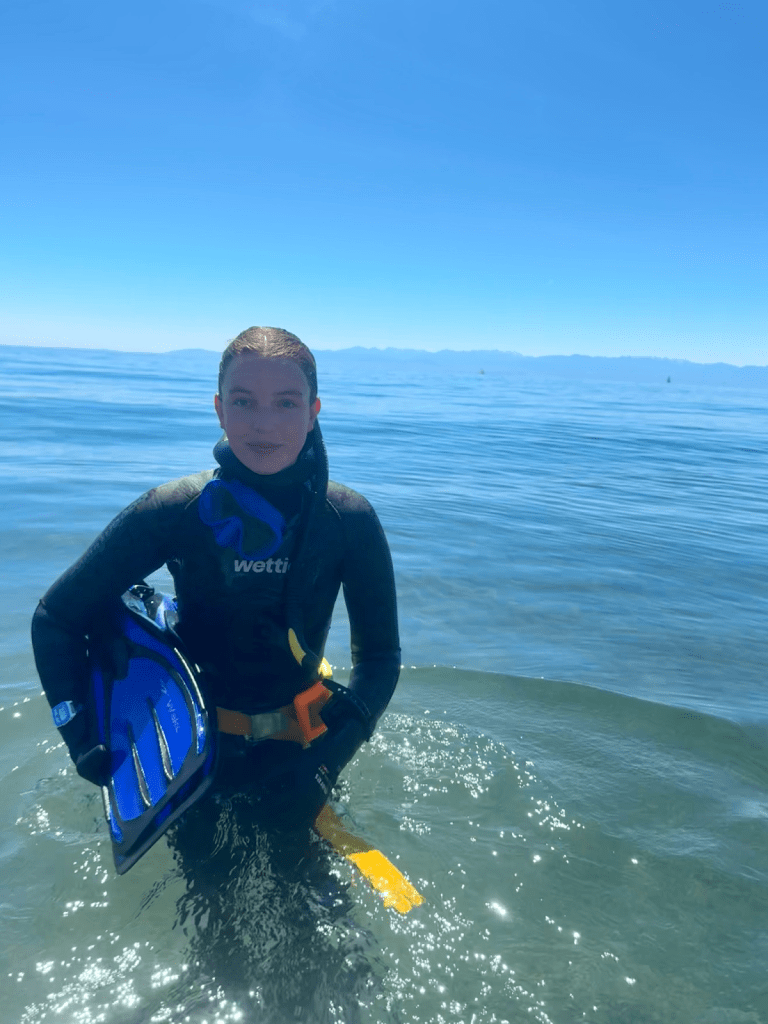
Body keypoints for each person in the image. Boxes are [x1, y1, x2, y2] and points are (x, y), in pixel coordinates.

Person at [31, 326, 401, 855]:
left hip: (301, 750)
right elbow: (56, 618)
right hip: (195, 760)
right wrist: (82, 737)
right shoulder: (175, 510)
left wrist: (327, 763)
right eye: (244, 401)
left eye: (286, 403)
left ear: (314, 410)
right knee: (209, 918)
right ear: (219, 409)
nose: (263, 424)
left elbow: (381, 657)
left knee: (322, 923)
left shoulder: (347, 520)